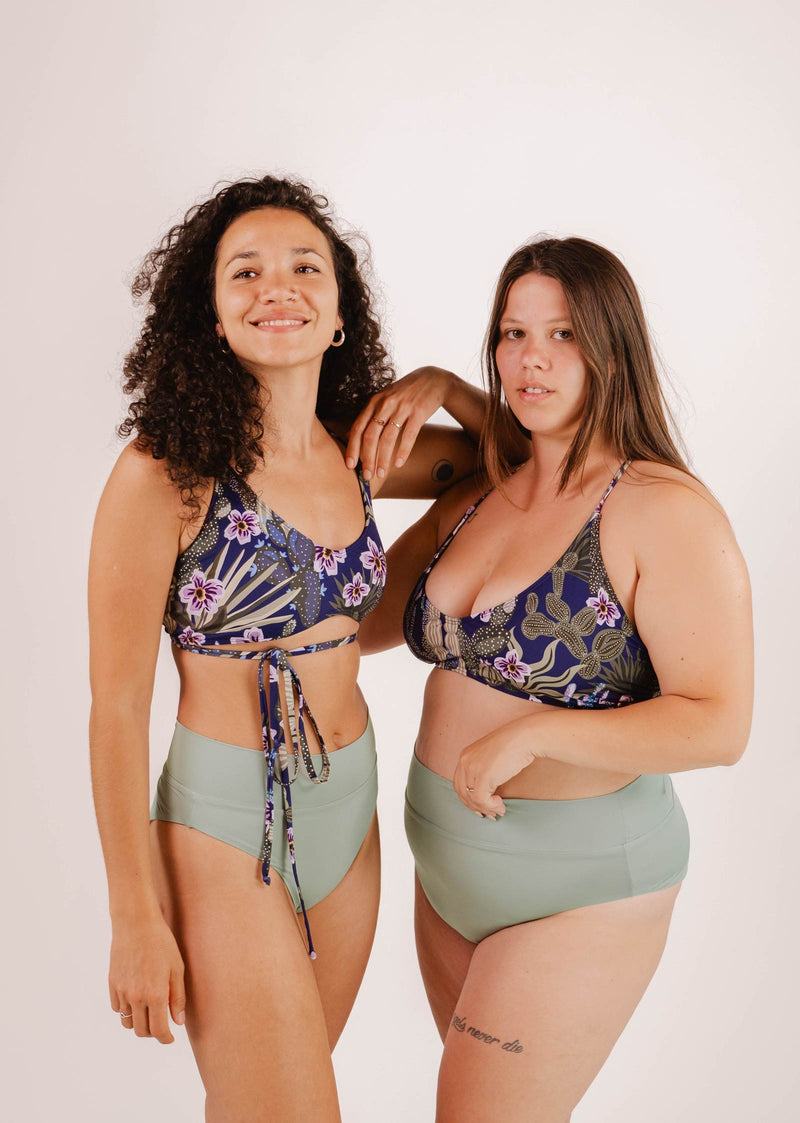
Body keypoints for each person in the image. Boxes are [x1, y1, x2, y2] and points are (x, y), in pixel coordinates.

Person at [87, 174, 486, 1122]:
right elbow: (113, 709)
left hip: (349, 814)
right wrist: (135, 914)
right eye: (247, 271)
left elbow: (517, 457)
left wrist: (446, 386)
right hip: (223, 824)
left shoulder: (364, 451)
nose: (279, 287)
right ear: (212, 314)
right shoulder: (165, 473)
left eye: (307, 267)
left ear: (340, 310)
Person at [359, 236, 753, 1122]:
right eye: (511, 332)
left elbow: (721, 722)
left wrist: (535, 731)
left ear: (612, 345)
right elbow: (364, 622)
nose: (530, 357)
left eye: (564, 333)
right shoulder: (482, 486)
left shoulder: (661, 508)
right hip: (447, 872)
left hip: (580, 888)